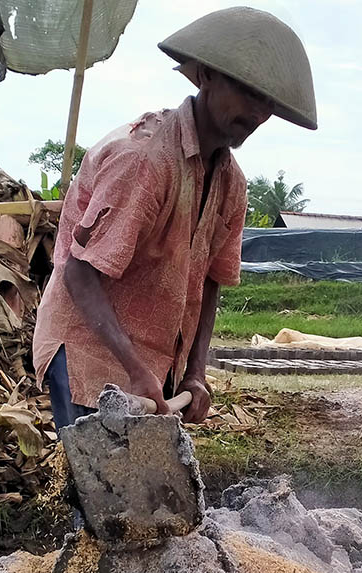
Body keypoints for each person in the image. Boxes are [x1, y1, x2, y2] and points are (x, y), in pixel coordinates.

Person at [33, 7, 317, 430]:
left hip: (155, 366)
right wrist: (133, 368)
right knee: (100, 489)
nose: (257, 113)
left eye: (267, 101)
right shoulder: (143, 161)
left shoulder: (231, 185)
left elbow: (209, 281)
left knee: (141, 490)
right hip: (90, 354)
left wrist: (195, 371)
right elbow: (78, 271)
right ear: (204, 76)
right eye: (245, 91)